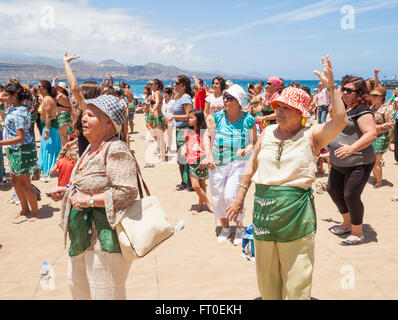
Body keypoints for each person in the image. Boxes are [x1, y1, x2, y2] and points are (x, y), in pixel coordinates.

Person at [226, 56, 347, 300]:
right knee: (267, 282)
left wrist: (332, 87)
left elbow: (340, 121)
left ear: (300, 113)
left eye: (285, 108)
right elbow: (251, 167)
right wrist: (239, 198)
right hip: (263, 216)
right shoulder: (268, 132)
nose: (278, 111)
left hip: (296, 218)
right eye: (277, 106)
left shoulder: (312, 136)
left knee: (297, 283)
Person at [51, 94, 138, 300]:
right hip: (82, 237)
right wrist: (69, 192)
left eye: (91, 115)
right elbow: (91, 184)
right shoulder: (91, 148)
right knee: (80, 293)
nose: (83, 119)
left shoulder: (115, 148)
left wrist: (89, 200)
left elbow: (128, 191)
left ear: (109, 122)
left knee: (105, 295)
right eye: (84, 114)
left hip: (104, 241)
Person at [203, 84, 257, 245]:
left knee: (231, 196)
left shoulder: (248, 119)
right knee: (218, 198)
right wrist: (208, 156)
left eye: (229, 98)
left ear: (239, 101)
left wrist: (246, 150)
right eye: (224, 97)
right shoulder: (218, 116)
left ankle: (239, 227)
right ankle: (226, 229)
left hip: (238, 164)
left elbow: (254, 141)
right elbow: (207, 135)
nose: (225, 100)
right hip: (217, 164)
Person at [327, 75, 377, 245]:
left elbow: (371, 134)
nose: (345, 93)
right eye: (343, 89)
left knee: (351, 195)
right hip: (338, 162)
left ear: (360, 93)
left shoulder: (362, 110)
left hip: (359, 161)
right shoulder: (343, 109)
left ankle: (358, 232)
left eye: (349, 90)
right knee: (333, 190)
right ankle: (347, 223)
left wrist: (351, 148)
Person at [0, 80, 40, 221]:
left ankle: (35, 212)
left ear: (15, 95)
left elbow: (20, 137)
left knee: (25, 182)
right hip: (14, 150)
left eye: (5, 95)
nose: (2, 97)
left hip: (22, 150)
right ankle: (24, 209)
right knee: (15, 181)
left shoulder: (19, 113)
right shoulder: (14, 108)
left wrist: (1, 143)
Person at [63, 53, 102, 156]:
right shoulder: (98, 111)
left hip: (90, 157)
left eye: (81, 91)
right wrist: (75, 142)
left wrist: (66, 63)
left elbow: (74, 88)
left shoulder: (90, 109)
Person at [181, 110, 213, 215]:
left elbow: (211, 145)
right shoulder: (188, 131)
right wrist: (184, 148)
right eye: (189, 118)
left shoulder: (205, 131)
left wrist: (207, 158)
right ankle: (208, 204)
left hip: (202, 160)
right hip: (191, 160)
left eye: (191, 118)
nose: (189, 120)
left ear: (198, 119)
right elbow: (187, 143)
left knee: (202, 184)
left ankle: (200, 207)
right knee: (195, 185)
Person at [166, 75, 194, 191]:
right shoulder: (180, 97)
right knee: (180, 157)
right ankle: (184, 181)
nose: (174, 85)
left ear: (183, 86)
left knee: (184, 156)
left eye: (176, 83)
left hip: (185, 129)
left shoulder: (186, 98)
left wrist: (174, 116)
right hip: (179, 129)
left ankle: (189, 183)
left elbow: (189, 115)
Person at [369, 86, 394, 188]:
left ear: (382, 97)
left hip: (382, 138)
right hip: (372, 137)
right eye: (372, 95)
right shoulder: (372, 107)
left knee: (375, 161)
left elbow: (391, 123)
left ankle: (379, 182)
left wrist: (376, 127)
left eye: (376, 96)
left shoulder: (387, 108)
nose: (373, 97)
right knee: (372, 161)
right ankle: (376, 178)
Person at [37, 80, 62, 182]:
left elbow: (47, 117)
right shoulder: (47, 98)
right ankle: (50, 169)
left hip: (49, 127)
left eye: (39, 87)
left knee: (48, 148)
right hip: (49, 127)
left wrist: (46, 131)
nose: (37, 88)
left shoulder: (47, 99)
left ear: (45, 89)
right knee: (50, 147)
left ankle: (47, 171)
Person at [150, 79, 166, 163]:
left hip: (158, 117)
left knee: (160, 138)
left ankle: (162, 157)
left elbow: (158, 102)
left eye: (151, 84)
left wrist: (153, 109)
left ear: (156, 85)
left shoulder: (156, 93)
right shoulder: (158, 92)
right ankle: (162, 155)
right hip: (159, 116)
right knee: (160, 137)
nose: (150, 85)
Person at [53, 78, 72, 147]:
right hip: (65, 115)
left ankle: (66, 149)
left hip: (62, 115)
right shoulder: (65, 95)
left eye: (58, 87)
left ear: (62, 89)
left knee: (63, 135)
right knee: (63, 135)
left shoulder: (60, 95)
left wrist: (53, 81)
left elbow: (54, 100)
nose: (57, 88)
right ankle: (66, 148)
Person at [162, 87, 176, 154]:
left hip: (171, 120)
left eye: (166, 93)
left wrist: (171, 118)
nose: (164, 94)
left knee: (169, 135)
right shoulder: (162, 101)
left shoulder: (173, 102)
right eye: (164, 93)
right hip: (162, 120)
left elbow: (175, 112)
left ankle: (169, 148)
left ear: (170, 94)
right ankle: (163, 147)